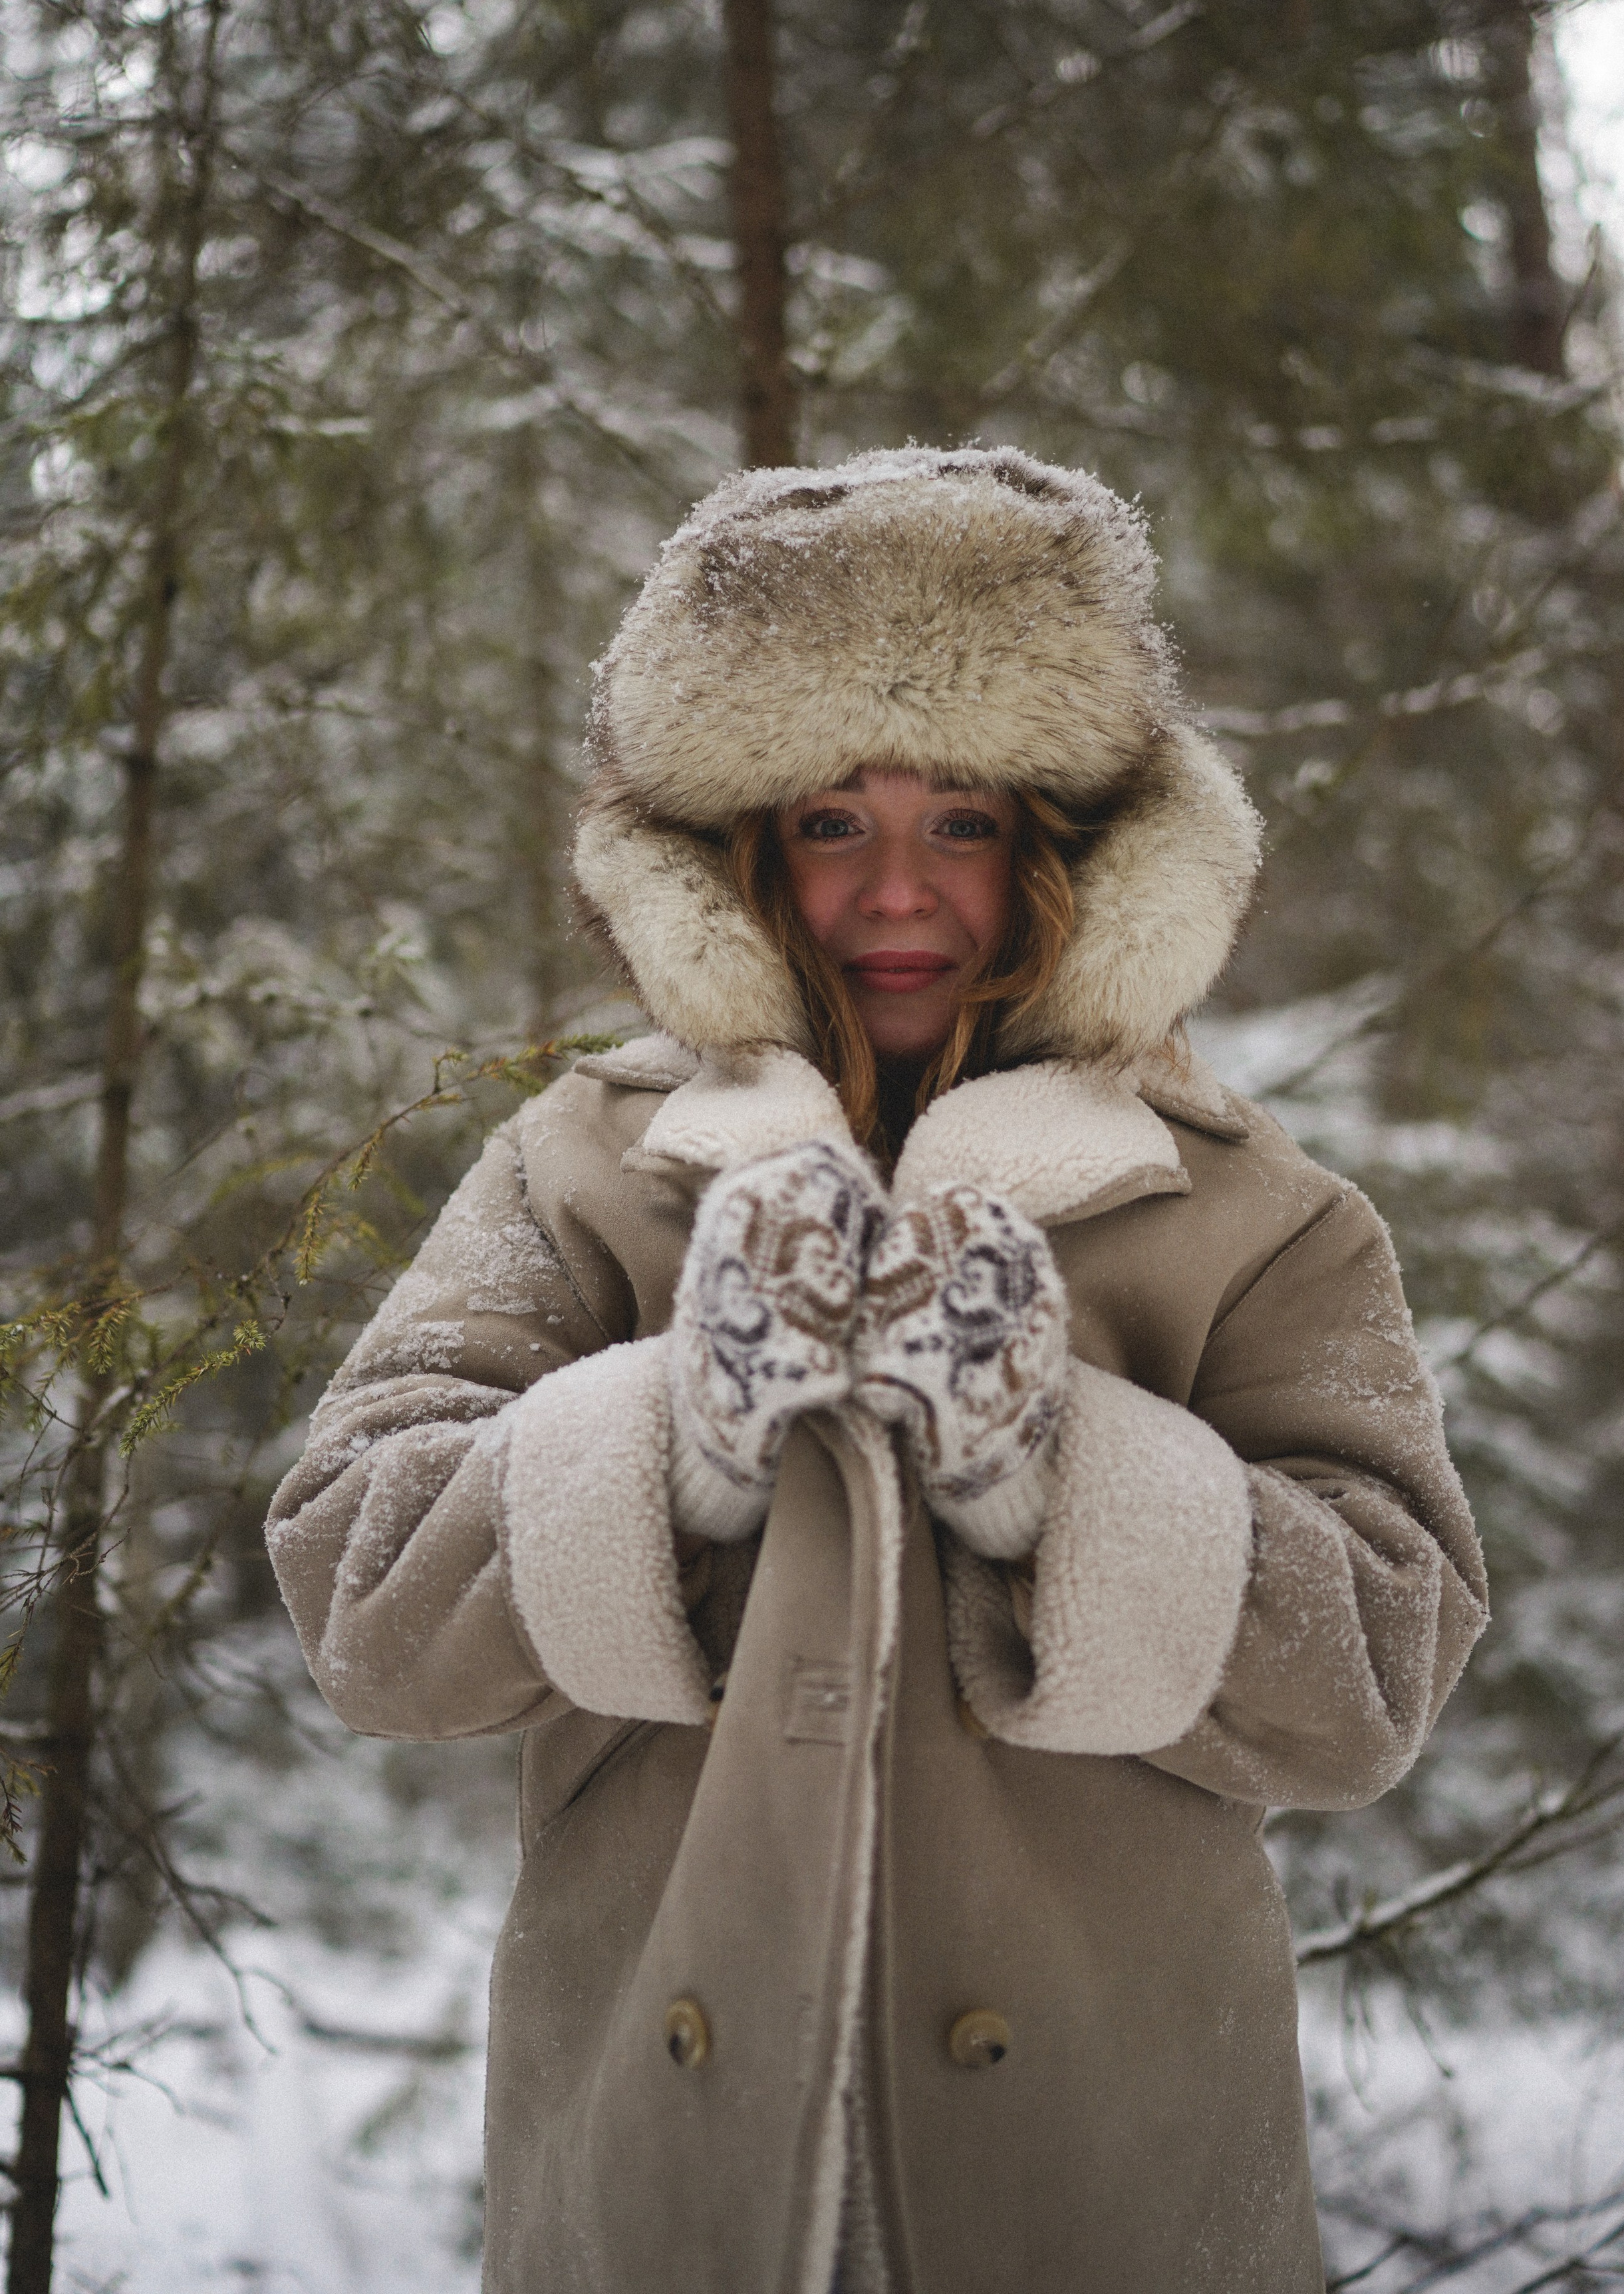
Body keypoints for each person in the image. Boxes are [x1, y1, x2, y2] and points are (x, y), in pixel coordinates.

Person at [267, 445, 1488, 2294]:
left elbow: (1379, 1671)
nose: (899, 891)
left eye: (966, 824)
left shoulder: (1254, 1214)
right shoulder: (583, 1168)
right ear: (737, 857)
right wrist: (673, 1431)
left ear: (1068, 850)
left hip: (1115, 2190)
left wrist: (1055, 1471)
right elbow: (363, 1592)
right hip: (660, 2189)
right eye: (833, 822)